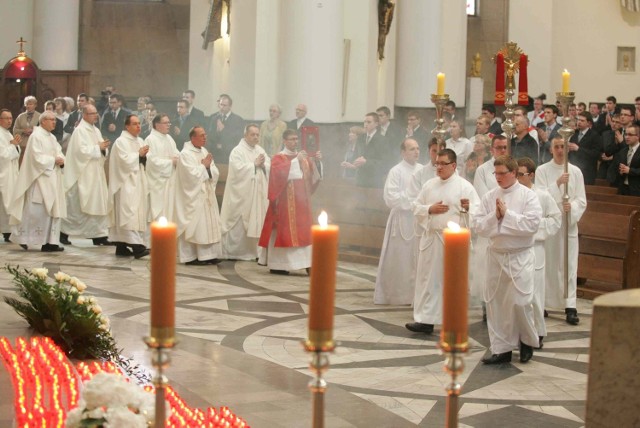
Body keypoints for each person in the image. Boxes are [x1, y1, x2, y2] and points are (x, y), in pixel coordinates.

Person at [474, 155, 542, 364]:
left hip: (520, 255)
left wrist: (507, 215)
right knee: (497, 304)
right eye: (496, 173)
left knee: (521, 302)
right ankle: (501, 349)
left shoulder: (528, 196)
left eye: (502, 173)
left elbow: (532, 225)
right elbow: (478, 226)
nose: (498, 178)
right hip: (496, 255)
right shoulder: (489, 196)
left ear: (513, 173)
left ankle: (527, 340)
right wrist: (495, 216)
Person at [406, 149, 480, 334]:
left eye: (443, 164)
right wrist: (429, 209)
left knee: (451, 281)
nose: (438, 167)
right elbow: (415, 206)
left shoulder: (465, 187)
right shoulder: (429, 185)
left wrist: (468, 208)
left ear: (453, 166)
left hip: (453, 241)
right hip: (432, 238)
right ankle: (425, 320)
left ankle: (452, 319)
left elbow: (478, 212)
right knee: (427, 280)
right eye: (436, 163)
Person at [536, 137, 587, 325]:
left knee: (569, 265)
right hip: (550, 226)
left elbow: (582, 199)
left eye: (563, 147)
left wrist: (571, 207)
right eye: (556, 147)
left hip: (568, 225)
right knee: (548, 264)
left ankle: (570, 305)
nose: (559, 150)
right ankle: (543, 303)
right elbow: (539, 197)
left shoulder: (576, 172)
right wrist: (556, 184)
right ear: (550, 150)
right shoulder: (542, 171)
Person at [258, 129, 322, 274]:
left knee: (304, 232)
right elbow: (277, 174)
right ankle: (279, 264)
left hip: (302, 203)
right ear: (285, 141)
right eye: (292, 139)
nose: (295, 142)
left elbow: (313, 177)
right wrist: (295, 161)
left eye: (296, 139)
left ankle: (307, 263)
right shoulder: (279, 157)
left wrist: (316, 161)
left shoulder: (303, 157)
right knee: (285, 232)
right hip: (284, 203)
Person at [516, 157, 561, 348]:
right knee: (519, 294)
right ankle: (520, 332)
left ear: (531, 175)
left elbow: (555, 219)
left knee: (534, 294)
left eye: (521, 174)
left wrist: (535, 227)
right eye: (515, 174)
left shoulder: (542, 196)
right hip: (517, 250)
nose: (517, 178)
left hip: (535, 249)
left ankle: (538, 331)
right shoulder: (512, 194)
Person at [8, 111, 66, 252]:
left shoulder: (51, 137)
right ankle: (23, 238)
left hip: (53, 178)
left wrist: (61, 160)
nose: (54, 122)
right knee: (36, 212)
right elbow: (36, 158)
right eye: (51, 120)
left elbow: (59, 151)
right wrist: (54, 160)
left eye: (55, 120)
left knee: (52, 211)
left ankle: (50, 242)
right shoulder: (36, 136)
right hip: (39, 180)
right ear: (43, 121)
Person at [374, 138, 421, 305]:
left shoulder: (422, 170)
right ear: (403, 152)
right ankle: (395, 295)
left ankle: (415, 296)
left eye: (417, 148)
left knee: (416, 260)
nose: (416, 152)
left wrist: (418, 203)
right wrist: (413, 201)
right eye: (412, 149)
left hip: (418, 221)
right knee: (399, 259)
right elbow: (390, 198)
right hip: (400, 221)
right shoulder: (396, 171)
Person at [167, 126, 222, 265]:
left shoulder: (204, 151)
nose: (205, 137)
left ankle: (208, 255)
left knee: (206, 225)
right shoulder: (185, 154)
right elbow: (189, 176)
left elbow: (214, 170)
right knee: (196, 226)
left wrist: (208, 167)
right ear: (193, 138)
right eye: (202, 135)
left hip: (206, 194)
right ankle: (192, 256)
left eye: (205, 135)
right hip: (193, 197)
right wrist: (204, 167)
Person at [60, 104, 112, 247]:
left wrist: (103, 149)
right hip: (82, 173)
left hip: (96, 173)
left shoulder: (95, 130)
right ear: (84, 115)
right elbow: (79, 152)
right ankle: (63, 233)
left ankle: (99, 235)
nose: (95, 116)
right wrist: (98, 148)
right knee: (76, 205)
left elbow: (101, 149)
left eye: (96, 113)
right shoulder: (79, 131)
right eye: (92, 113)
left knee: (98, 203)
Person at [220, 124, 270, 261]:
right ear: (245, 135)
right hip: (243, 195)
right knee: (240, 223)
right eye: (252, 134)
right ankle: (235, 252)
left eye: (257, 135)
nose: (255, 137)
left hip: (257, 194)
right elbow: (237, 170)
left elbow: (269, 166)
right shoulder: (237, 151)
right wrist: (253, 165)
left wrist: (264, 165)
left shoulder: (260, 150)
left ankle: (256, 252)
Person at [107, 114, 150, 259]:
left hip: (137, 181)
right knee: (128, 212)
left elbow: (143, 161)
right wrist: (138, 155)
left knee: (134, 211)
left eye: (139, 124)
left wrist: (143, 156)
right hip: (125, 183)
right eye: (135, 124)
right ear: (127, 126)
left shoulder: (140, 140)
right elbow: (123, 162)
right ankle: (137, 247)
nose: (138, 126)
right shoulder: (121, 142)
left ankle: (121, 245)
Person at [145, 114, 179, 222]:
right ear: (157, 125)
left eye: (169, 122)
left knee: (169, 212)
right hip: (157, 183)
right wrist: (170, 162)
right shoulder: (150, 139)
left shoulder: (169, 138)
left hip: (170, 181)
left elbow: (177, 154)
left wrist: (178, 160)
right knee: (158, 214)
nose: (169, 125)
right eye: (165, 123)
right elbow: (151, 162)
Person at [0, 109, 21, 243]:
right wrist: (13, 146)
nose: (9, 120)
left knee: (8, 203)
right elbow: (2, 155)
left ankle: (8, 231)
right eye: (6, 118)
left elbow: (14, 152)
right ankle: (7, 231)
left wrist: (15, 146)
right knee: (4, 203)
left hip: (10, 173)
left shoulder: (7, 133)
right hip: (3, 173)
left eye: (11, 118)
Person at [354, 112, 388, 188]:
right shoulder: (360, 138)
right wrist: (352, 164)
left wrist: (367, 162)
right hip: (360, 179)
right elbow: (356, 155)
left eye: (369, 122)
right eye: (364, 122)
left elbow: (385, 162)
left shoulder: (382, 140)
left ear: (376, 124)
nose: (365, 124)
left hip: (374, 180)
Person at [208, 94, 244, 163]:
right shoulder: (214, 118)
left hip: (229, 154)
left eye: (224, 105)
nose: (222, 107)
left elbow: (238, 138)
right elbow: (210, 136)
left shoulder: (238, 120)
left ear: (230, 106)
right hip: (215, 154)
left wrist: (223, 130)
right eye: (221, 105)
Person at [568, 111, 602, 185]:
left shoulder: (594, 136)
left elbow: (596, 154)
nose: (579, 122)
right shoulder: (574, 135)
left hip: (587, 172)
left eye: (582, 120)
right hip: (574, 169)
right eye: (578, 120)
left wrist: (578, 149)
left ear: (589, 123)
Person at [608, 124, 640, 196]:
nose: (627, 137)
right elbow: (616, 168)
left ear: (638, 136)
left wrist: (630, 171)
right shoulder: (623, 151)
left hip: (637, 189)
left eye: (630, 135)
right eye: (625, 134)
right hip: (623, 188)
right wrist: (620, 171)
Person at [13, 96, 41, 165]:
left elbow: (43, 130)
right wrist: (23, 131)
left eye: (30, 104)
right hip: (22, 145)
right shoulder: (20, 116)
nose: (28, 106)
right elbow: (15, 130)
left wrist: (33, 131)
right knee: (21, 164)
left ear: (35, 105)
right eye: (27, 104)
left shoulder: (40, 116)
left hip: (35, 145)